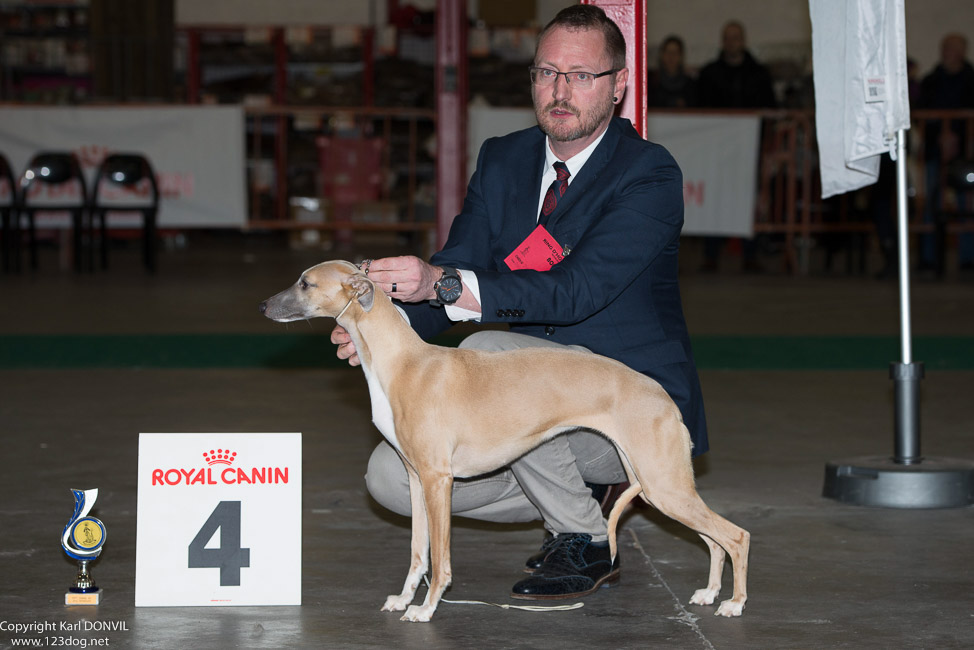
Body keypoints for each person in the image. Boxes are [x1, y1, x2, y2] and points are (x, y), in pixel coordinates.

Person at [331, 5, 708, 601]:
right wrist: (386, 322)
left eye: (582, 75)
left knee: (488, 348)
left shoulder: (648, 174)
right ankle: (576, 495)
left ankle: (584, 536)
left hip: (622, 408)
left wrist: (445, 285)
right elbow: (456, 270)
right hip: (523, 401)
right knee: (390, 478)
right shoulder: (503, 159)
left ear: (619, 85)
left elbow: (577, 291)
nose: (560, 91)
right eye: (547, 72)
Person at [696, 20, 776, 272]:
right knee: (714, 199)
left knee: (747, 200)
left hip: (749, 148)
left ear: (743, 40)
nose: (733, 42)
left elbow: (770, 107)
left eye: (736, 37)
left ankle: (750, 255)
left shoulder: (759, 73)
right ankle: (711, 255)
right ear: (723, 41)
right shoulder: (709, 73)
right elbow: (699, 109)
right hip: (716, 150)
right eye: (728, 37)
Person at [918, 33, 974, 275]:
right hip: (934, 152)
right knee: (931, 203)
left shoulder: (972, 80)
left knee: (968, 204)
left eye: (952, 48)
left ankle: (968, 258)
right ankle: (928, 258)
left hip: (966, 155)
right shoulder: (931, 81)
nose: (947, 52)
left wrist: (956, 134)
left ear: (962, 51)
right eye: (944, 47)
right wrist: (939, 133)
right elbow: (921, 110)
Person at [648, 35, 696, 108]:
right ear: (662, 55)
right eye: (668, 52)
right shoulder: (650, 82)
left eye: (675, 52)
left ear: (681, 56)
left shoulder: (690, 85)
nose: (671, 56)